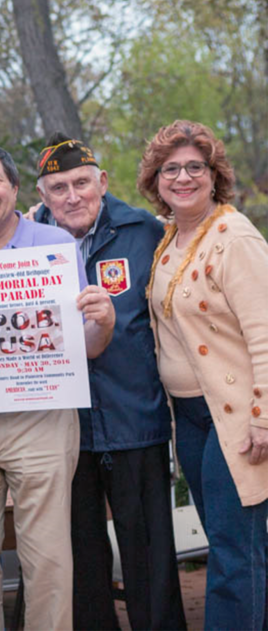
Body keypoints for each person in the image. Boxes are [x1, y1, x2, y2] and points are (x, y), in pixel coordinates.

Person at [0, 142, 115, 630]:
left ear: (15, 189)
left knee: (48, 559)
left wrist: (104, 321)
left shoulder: (56, 246)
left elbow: (90, 346)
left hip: (43, 416)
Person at [33, 132, 185, 630]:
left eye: (81, 182)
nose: (72, 196)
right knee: (80, 556)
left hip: (132, 417)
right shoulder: (27, 241)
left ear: (102, 182)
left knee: (149, 553)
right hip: (62, 423)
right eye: (58, 187)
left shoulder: (144, 232)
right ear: (42, 194)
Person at [138, 119, 268, 627]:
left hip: (235, 416)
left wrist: (264, 418)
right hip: (190, 418)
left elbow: (264, 331)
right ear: (156, 180)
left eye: (196, 167)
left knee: (235, 554)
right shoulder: (172, 237)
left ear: (214, 176)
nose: (183, 177)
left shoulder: (233, 236)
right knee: (230, 542)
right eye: (171, 169)